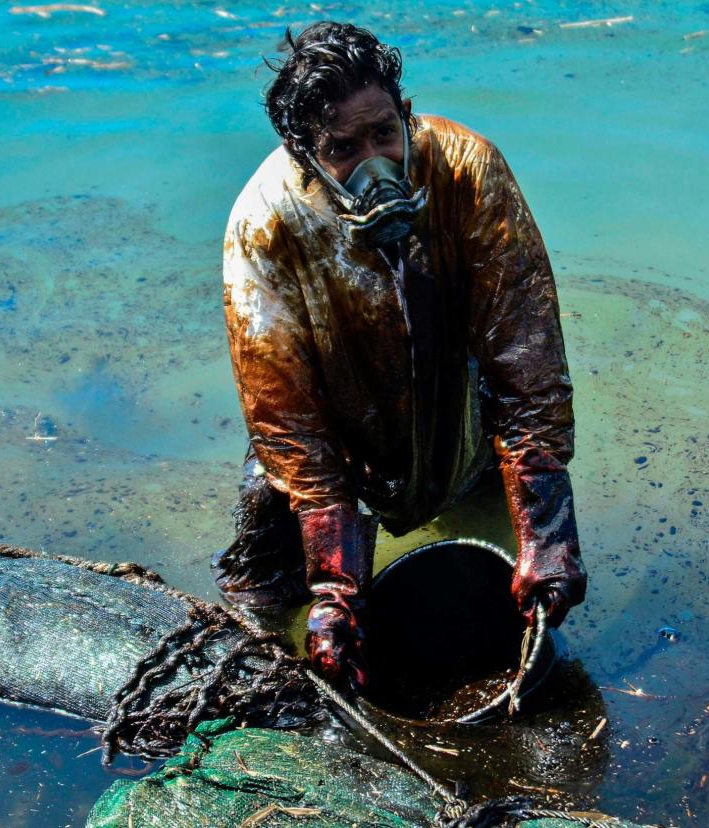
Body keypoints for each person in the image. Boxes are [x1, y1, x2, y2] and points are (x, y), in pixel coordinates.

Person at [214, 22, 585, 686]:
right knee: (263, 614)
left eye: (384, 134)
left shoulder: (469, 171)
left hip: (455, 418)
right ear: (302, 154)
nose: (374, 161)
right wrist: (334, 593)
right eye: (342, 148)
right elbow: (286, 416)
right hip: (324, 448)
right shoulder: (263, 225)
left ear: (407, 117)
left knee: (502, 604)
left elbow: (525, 354)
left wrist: (549, 534)